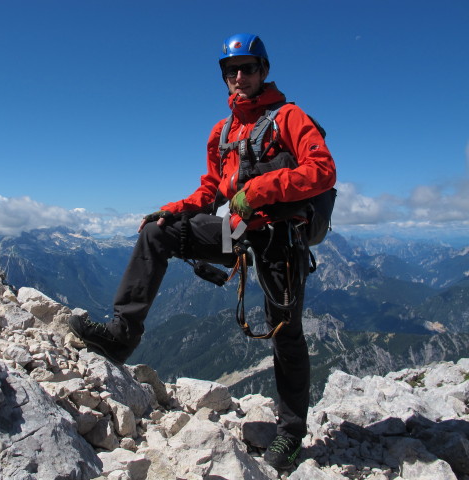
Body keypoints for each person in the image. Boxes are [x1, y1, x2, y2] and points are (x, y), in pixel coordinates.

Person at [69, 32, 336, 470]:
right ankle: (121, 336)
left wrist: (261, 190)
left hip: (278, 237)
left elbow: (322, 170)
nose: (238, 77)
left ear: (263, 71)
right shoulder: (223, 131)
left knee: (285, 331)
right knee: (158, 233)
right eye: (230, 71)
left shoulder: (289, 117)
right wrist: (173, 211)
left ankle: (290, 433)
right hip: (236, 230)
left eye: (247, 68)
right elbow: (212, 190)